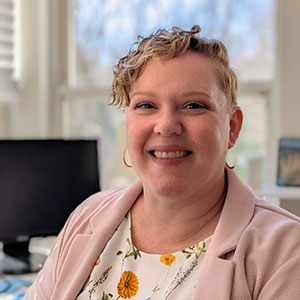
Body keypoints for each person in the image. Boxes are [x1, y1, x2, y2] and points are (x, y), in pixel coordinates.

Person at [25, 25, 300, 300]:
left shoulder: (286, 252)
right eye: (146, 105)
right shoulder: (86, 217)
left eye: (194, 105)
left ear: (232, 127)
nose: (166, 126)